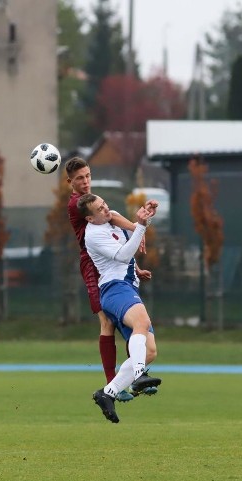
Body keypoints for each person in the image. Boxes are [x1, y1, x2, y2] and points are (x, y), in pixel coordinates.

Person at [65, 156, 159, 402]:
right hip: (94, 266)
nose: (85, 182)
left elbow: (112, 225)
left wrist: (133, 260)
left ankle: (132, 376)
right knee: (108, 323)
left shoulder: (96, 205)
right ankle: (116, 382)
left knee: (132, 322)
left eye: (87, 176)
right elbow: (110, 221)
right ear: (70, 183)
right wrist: (138, 228)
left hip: (111, 264)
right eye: (79, 179)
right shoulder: (78, 204)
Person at [79, 193, 161, 423]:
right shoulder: (93, 235)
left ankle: (107, 393)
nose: (106, 210)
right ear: (90, 219)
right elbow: (124, 255)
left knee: (150, 351)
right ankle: (139, 375)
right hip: (114, 289)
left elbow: (134, 232)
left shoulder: (109, 219)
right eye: (100, 210)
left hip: (126, 286)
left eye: (105, 204)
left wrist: (146, 217)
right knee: (142, 324)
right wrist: (141, 227)